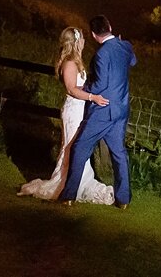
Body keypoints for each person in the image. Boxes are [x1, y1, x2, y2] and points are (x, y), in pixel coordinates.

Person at [18, 26, 116, 203]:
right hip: (73, 111)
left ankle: (78, 182)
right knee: (72, 146)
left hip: (80, 109)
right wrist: (92, 97)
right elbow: (71, 89)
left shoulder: (76, 61)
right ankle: (68, 184)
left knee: (78, 147)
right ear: (76, 42)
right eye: (83, 39)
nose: (85, 42)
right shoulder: (69, 63)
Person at [60, 14, 136, 209]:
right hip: (121, 109)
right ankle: (124, 199)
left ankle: (69, 195)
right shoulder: (125, 46)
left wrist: (86, 89)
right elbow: (132, 62)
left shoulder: (101, 55)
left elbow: (101, 84)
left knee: (79, 148)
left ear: (94, 35)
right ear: (110, 26)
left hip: (102, 110)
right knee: (119, 153)